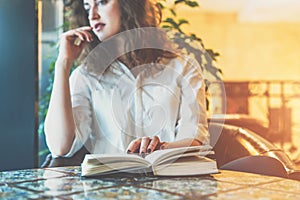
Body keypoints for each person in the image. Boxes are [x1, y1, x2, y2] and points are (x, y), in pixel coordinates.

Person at [44, 0, 209, 159]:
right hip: (107, 185)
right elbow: (60, 147)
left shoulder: (183, 68)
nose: (92, 15)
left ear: (128, 4)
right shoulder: (86, 76)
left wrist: (159, 148)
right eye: (87, 7)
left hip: (168, 181)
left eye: (102, 2)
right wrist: (63, 64)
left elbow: (194, 139)